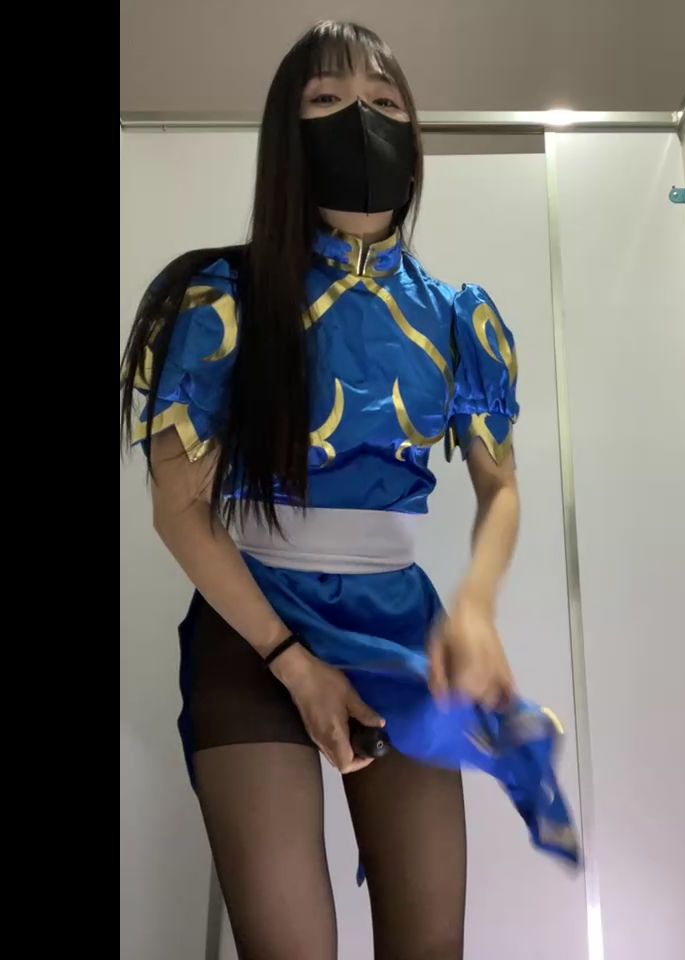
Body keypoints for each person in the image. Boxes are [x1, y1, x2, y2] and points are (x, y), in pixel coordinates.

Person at [120, 20, 577, 960]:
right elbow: (179, 510)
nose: (359, 117)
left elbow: (500, 488)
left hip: (398, 626)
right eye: (326, 100)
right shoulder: (219, 299)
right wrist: (293, 661)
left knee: (430, 943)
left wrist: (475, 609)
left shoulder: (459, 317)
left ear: (414, 133)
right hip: (251, 626)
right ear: (285, 137)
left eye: (383, 100)